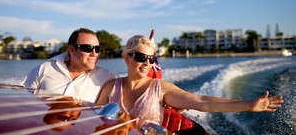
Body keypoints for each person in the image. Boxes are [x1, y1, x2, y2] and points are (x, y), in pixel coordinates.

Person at [96, 35, 284, 126]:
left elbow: (201, 101)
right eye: (140, 57)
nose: (147, 63)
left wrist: (248, 105)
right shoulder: (111, 87)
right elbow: (91, 120)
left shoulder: (161, 89)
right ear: (127, 58)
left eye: (151, 59)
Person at [20, 28, 115, 103]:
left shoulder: (107, 77)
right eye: (88, 48)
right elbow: (21, 98)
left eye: (97, 49)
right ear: (72, 50)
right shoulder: (45, 68)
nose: (94, 53)